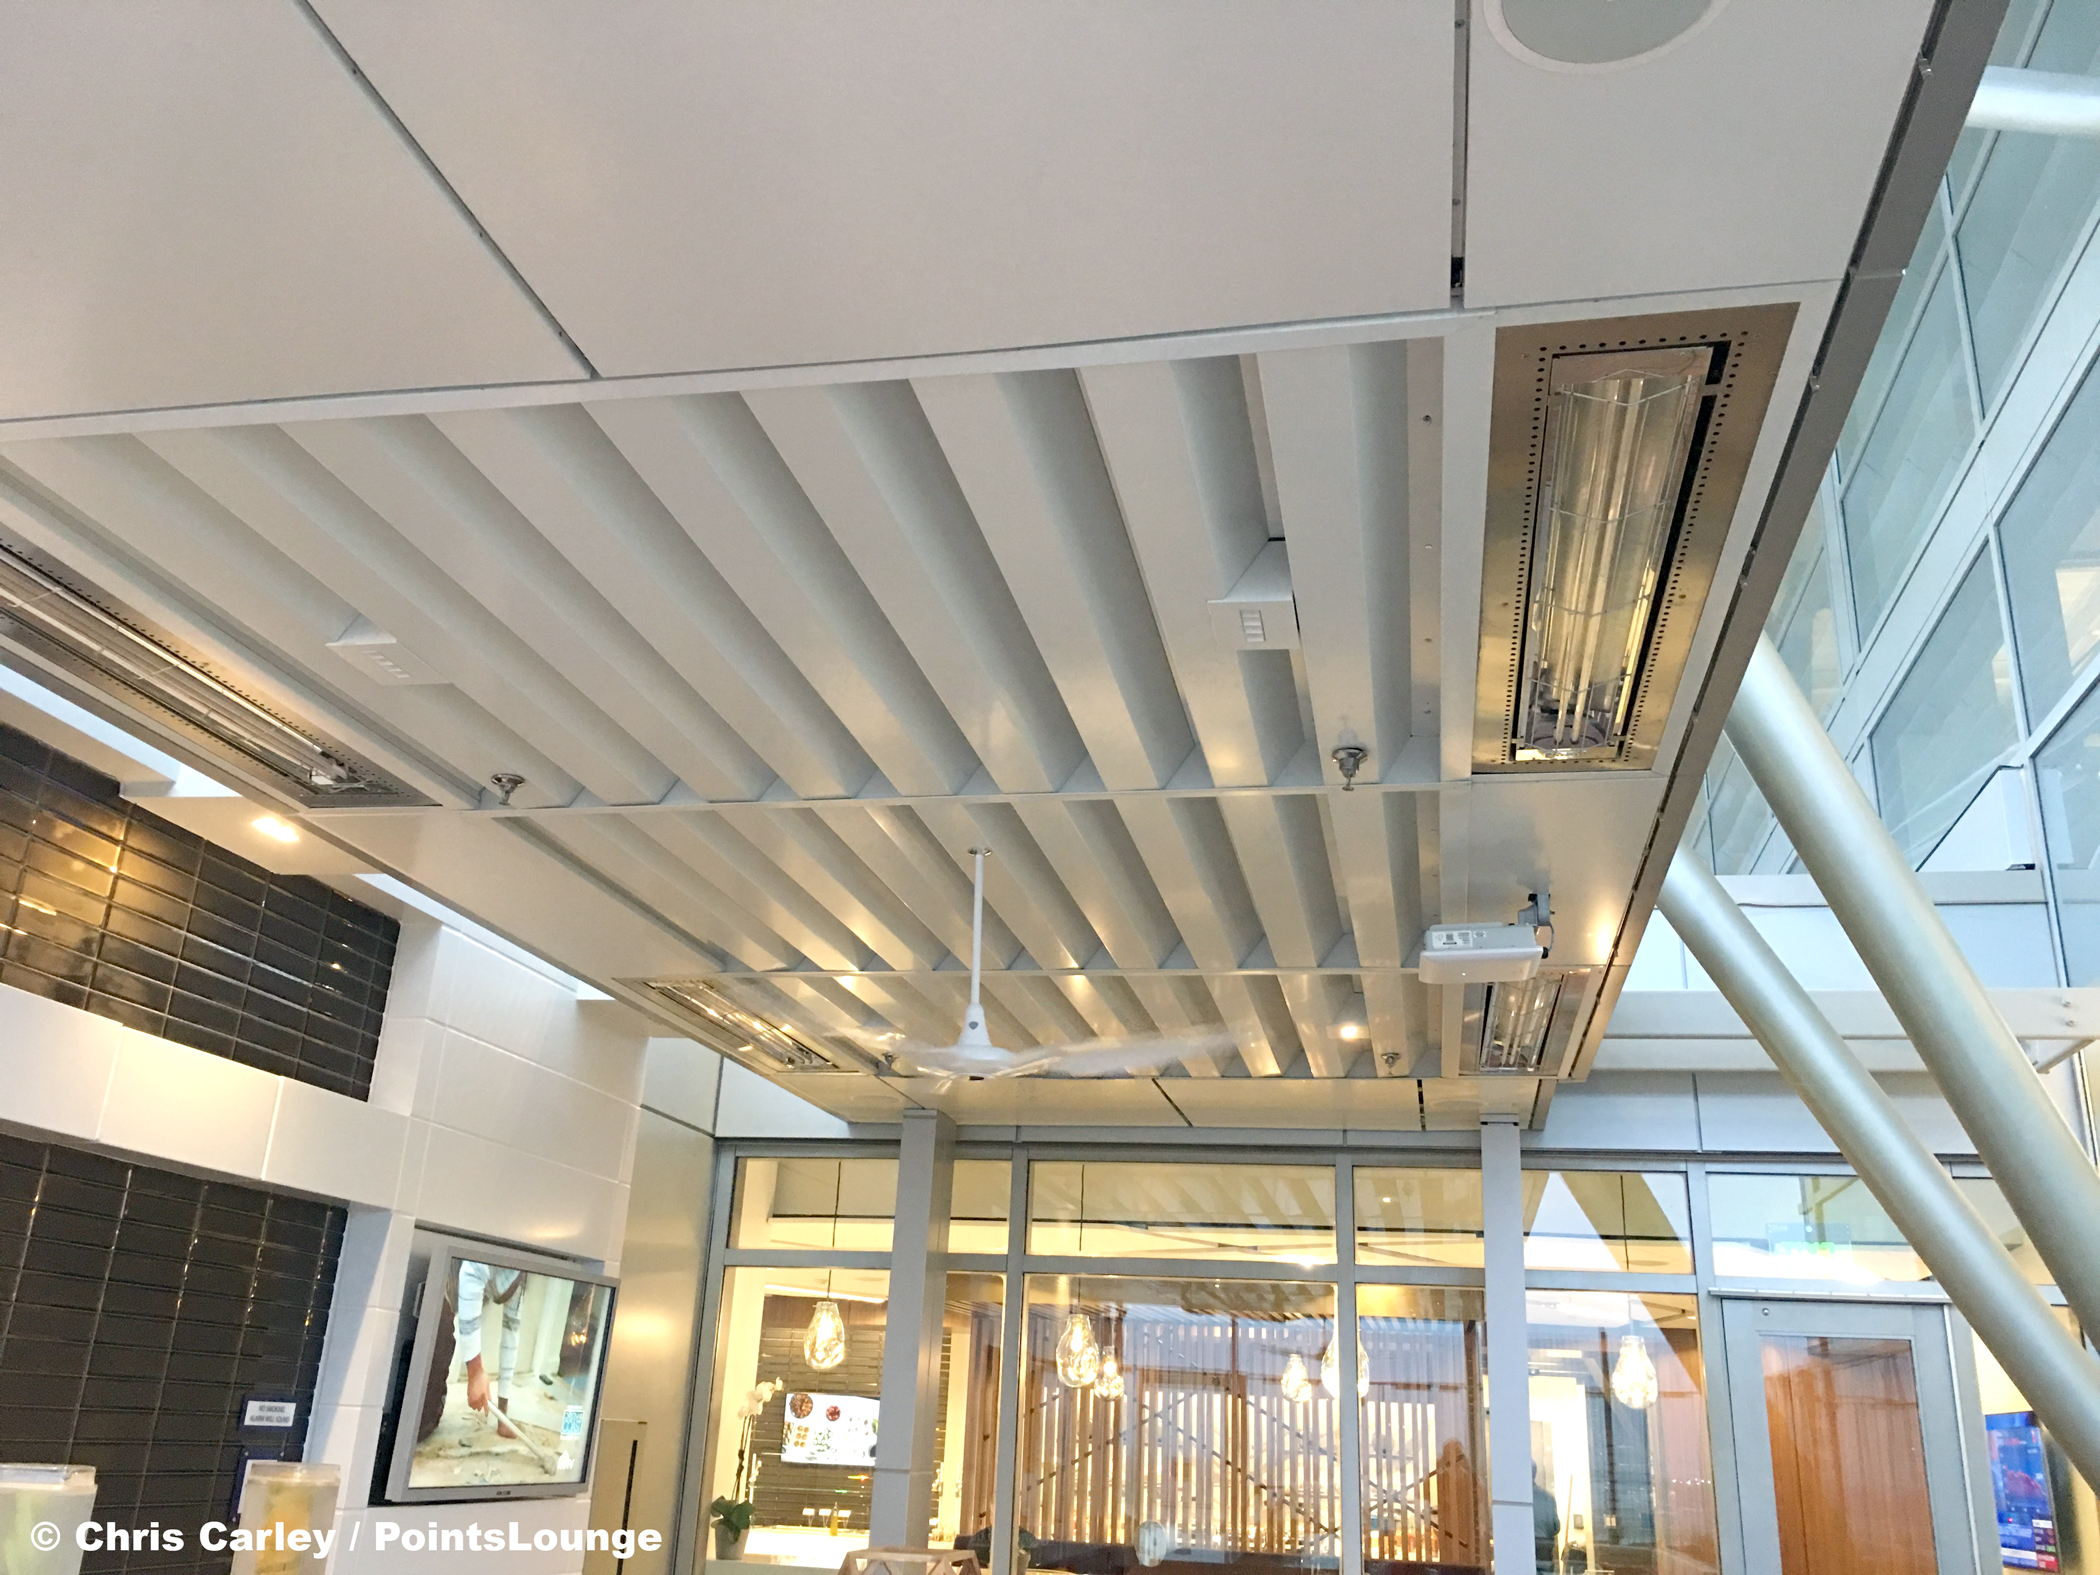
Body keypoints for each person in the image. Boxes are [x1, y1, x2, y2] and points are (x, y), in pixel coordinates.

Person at [457, 1261, 528, 1438]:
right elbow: (470, 1272)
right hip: (450, 1271)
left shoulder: (518, 1276)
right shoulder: (478, 1266)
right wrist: (474, 1371)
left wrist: (503, 1415)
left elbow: (511, 1333)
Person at [1533, 1464, 1561, 1575]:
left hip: (1526, 1547)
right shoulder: (1547, 1497)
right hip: (1545, 1548)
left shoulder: (1517, 1498)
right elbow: (1555, 1527)